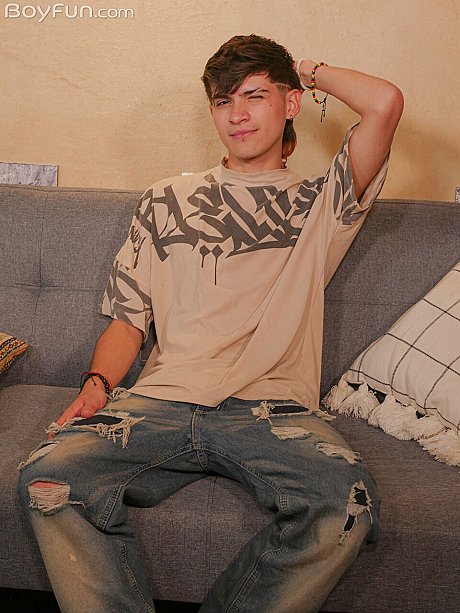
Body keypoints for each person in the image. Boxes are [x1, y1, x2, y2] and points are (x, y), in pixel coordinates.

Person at [17, 34, 404, 613]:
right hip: (161, 402)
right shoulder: (165, 198)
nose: (238, 114)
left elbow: (385, 102)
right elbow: (128, 320)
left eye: (255, 96)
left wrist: (298, 69)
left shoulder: (323, 203)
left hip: (271, 410)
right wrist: (96, 386)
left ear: (291, 103)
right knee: (46, 479)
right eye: (224, 101)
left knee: (345, 501)